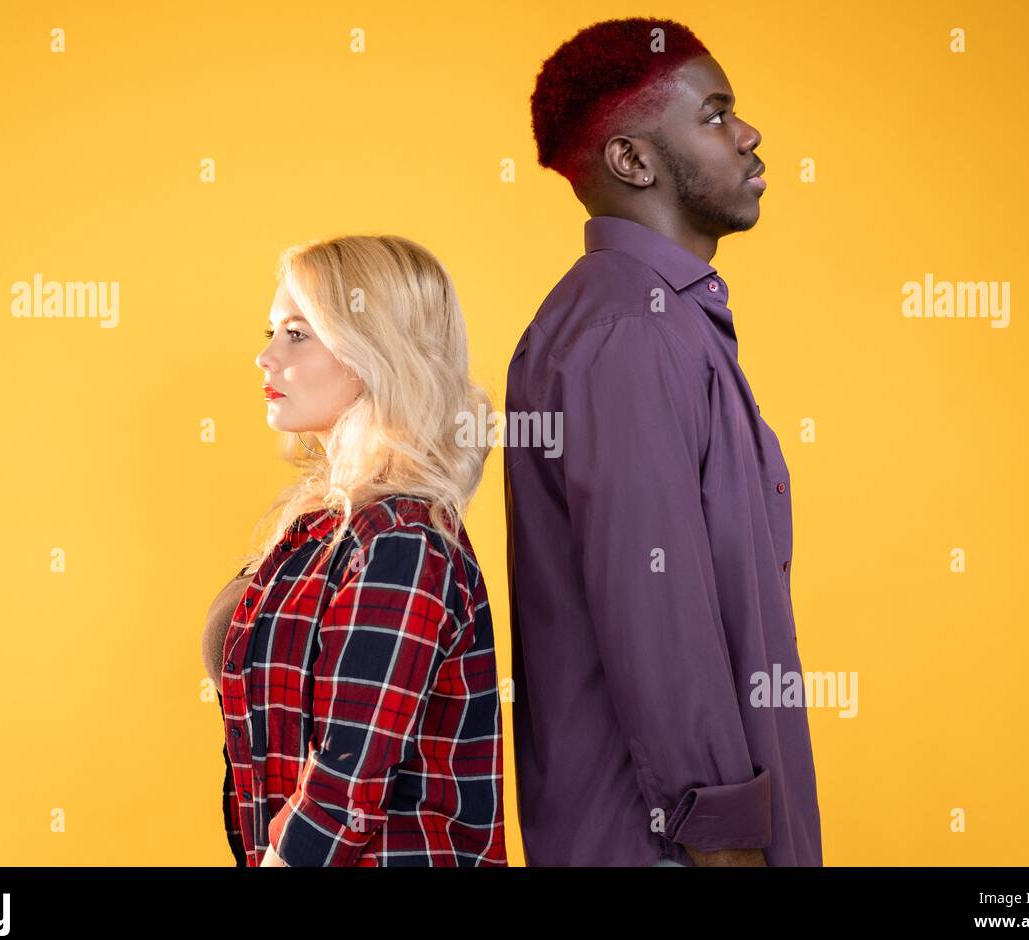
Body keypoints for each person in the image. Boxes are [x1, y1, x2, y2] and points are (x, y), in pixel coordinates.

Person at [504, 17, 823, 866]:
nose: (749, 135)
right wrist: (721, 838)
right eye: (715, 114)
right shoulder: (629, 332)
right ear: (634, 161)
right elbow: (657, 608)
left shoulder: (658, 318)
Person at [203, 234, 507, 866]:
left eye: (297, 333)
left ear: (375, 350)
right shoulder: (323, 525)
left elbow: (348, 783)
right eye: (272, 331)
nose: (265, 357)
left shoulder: (400, 538)